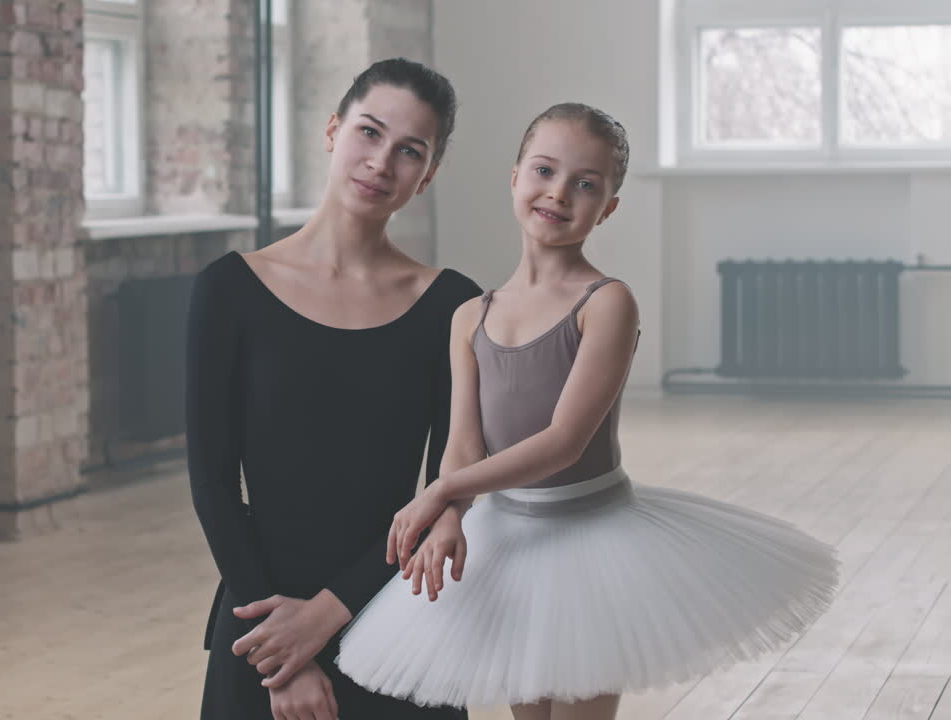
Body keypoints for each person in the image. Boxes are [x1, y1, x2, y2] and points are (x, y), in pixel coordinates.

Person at [334, 103, 840, 720]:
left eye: (586, 184)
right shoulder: (470, 316)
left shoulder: (607, 303)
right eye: (544, 170)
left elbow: (564, 442)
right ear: (515, 176)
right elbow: (465, 443)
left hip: (593, 538)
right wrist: (448, 514)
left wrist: (437, 492)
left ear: (610, 207)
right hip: (510, 543)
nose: (559, 193)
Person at [187, 57, 482, 719]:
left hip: (397, 616)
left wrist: (328, 613)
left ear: (427, 175)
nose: (382, 162)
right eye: (369, 133)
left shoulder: (452, 305)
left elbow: (449, 487)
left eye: (410, 151)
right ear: (332, 130)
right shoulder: (228, 291)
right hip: (259, 617)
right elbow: (211, 486)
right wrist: (279, 654)